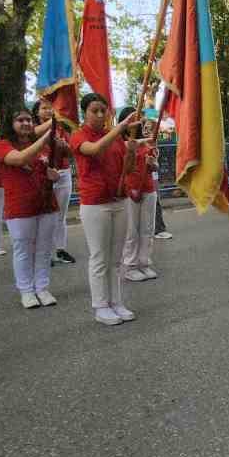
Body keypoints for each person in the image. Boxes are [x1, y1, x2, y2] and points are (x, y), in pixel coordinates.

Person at [72, 93, 142, 325]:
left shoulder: (115, 138)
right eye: (95, 111)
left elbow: (128, 168)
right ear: (85, 112)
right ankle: (100, 306)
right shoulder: (79, 136)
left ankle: (116, 302)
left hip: (119, 200)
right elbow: (93, 150)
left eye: (104, 110)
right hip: (95, 204)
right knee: (100, 257)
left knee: (115, 258)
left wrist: (131, 150)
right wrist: (120, 128)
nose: (101, 115)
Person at [0, 109, 61, 309]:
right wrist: (47, 137)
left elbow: (48, 166)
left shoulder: (40, 145)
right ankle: (26, 291)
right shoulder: (1, 145)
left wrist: (53, 175)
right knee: (23, 249)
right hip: (20, 206)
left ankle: (42, 287)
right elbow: (20, 159)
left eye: (29, 120)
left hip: (46, 203)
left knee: (44, 248)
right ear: (10, 124)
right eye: (20, 120)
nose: (26, 123)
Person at [34, 100, 77, 267]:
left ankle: (60, 249)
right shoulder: (32, 129)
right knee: (45, 216)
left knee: (61, 215)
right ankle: (45, 252)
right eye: (44, 108)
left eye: (51, 108)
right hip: (42, 175)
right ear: (37, 112)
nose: (48, 111)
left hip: (63, 173)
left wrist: (64, 146)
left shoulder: (61, 127)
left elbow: (71, 152)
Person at [121, 112, 160, 282]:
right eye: (139, 122)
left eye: (144, 122)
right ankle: (130, 266)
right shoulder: (124, 144)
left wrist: (153, 165)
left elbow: (155, 167)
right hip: (131, 191)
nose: (143, 125)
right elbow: (123, 168)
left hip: (148, 189)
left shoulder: (149, 145)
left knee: (147, 229)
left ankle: (144, 263)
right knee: (132, 230)